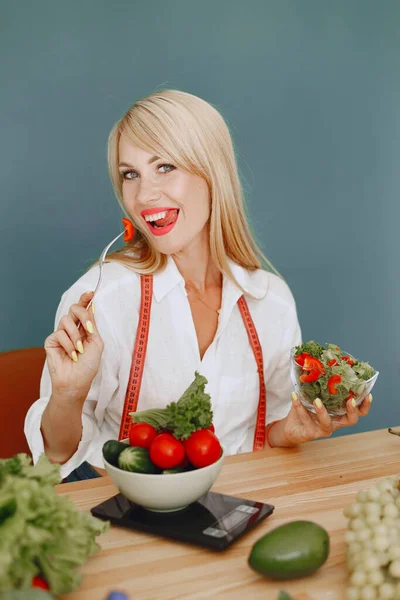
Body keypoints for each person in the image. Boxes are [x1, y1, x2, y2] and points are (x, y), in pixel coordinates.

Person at [24, 90, 372, 481]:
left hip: (237, 506)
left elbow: (264, 434)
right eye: (130, 174)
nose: (143, 195)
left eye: (165, 167)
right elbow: (57, 455)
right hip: (116, 514)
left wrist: (292, 431)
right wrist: (68, 396)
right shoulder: (100, 300)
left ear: (213, 173)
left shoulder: (270, 300)